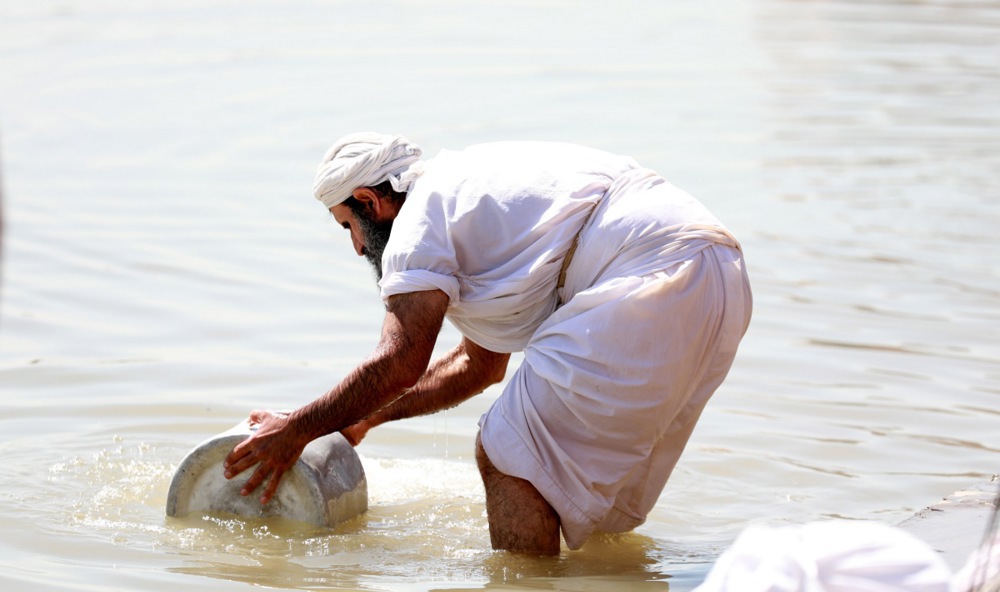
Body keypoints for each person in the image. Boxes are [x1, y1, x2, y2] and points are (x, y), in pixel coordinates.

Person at [223, 132, 753, 555]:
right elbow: (478, 366)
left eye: (348, 227)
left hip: (644, 272)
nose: (358, 248)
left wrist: (296, 429)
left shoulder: (417, 226)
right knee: (586, 496)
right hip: (719, 272)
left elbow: (401, 361)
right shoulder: (463, 194)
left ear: (369, 201)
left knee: (506, 451)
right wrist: (360, 420)